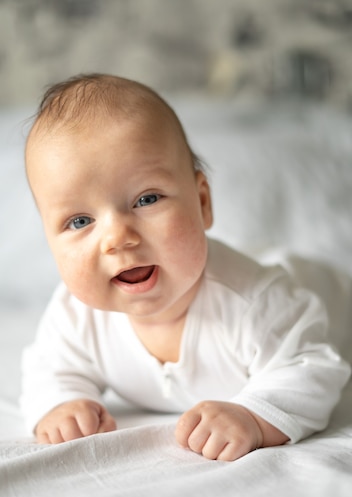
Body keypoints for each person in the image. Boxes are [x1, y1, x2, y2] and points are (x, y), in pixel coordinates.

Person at [20, 73, 351, 461]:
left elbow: (312, 367)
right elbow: (49, 369)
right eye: (79, 221)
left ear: (202, 202)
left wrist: (254, 417)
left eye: (146, 199)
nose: (118, 238)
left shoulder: (257, 302)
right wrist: (61, 403)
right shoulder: (75, 317)